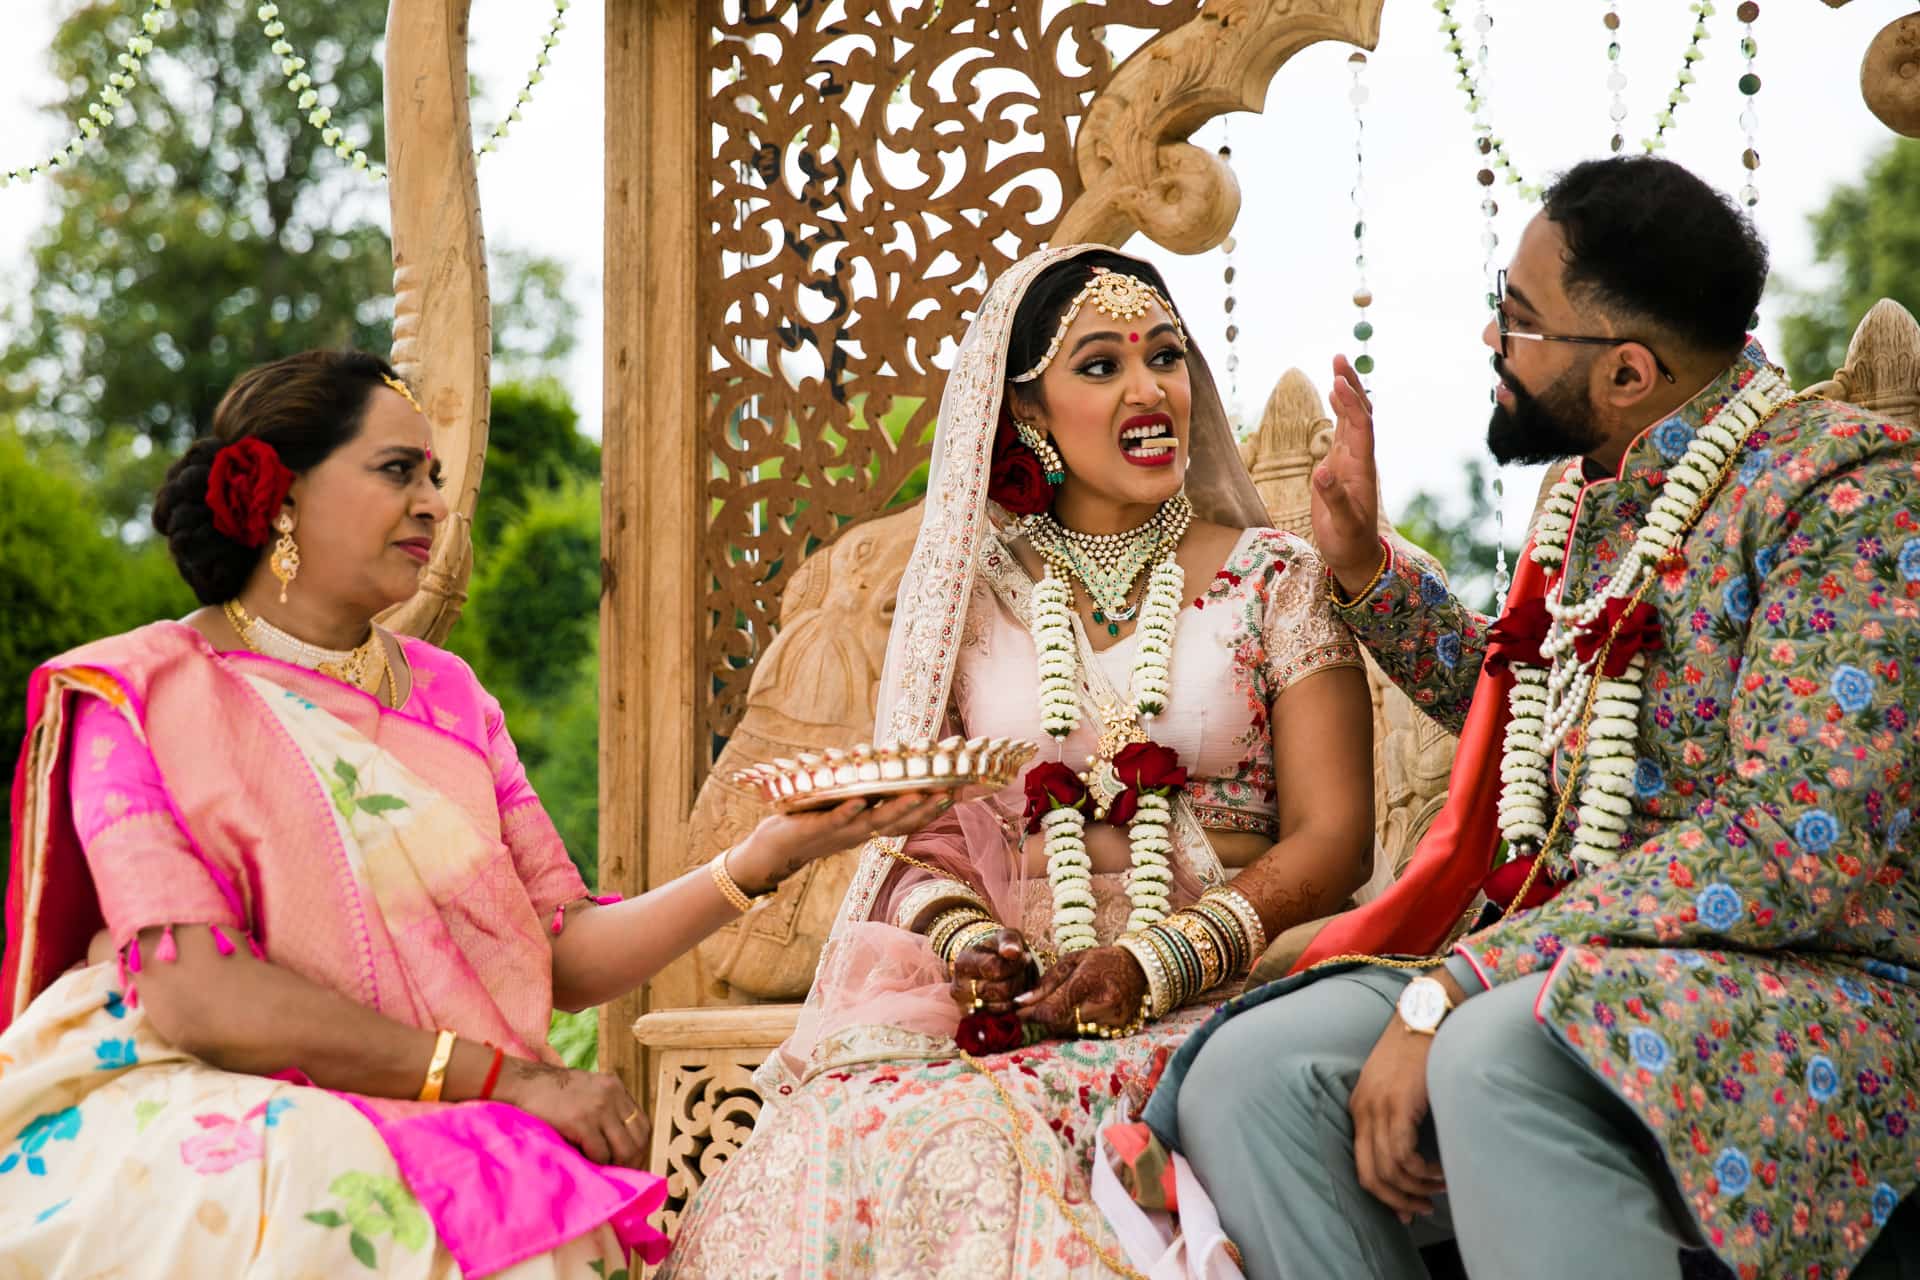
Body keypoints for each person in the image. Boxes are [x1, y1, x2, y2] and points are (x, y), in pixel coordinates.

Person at [0, 350, 954, 1277]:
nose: (432, 502)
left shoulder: (449, 698)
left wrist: (766, 857)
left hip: (440, 1096)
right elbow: (198, 997)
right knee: (323, 1186)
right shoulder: (141, 693)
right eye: (396, 470)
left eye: (436, 475)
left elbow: (564, 954)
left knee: (520, 1195)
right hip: (201, 1084)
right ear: (283, 497)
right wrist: (506, 1081)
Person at [1141, 156, 1920, 1279]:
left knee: (1493, 1050)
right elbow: (1530, 719)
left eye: (1519, 322)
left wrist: (1460, 980)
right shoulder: (1588, 501)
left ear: (1629, 370)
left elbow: (1798, 837)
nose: (1493, 346)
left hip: (1806, 976)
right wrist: (1363, 565)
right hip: (1567, 957)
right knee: (1249, 1073)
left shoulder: (1838, 496)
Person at [661, 245, 1377, 1277]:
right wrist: (969, 949)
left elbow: (1336, 839)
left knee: (1011, 1153)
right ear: (1029, 410)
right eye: (1100, 365)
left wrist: (1155, 959)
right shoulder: (969, 590)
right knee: (869, 1138)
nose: (1149, 390)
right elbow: (918, 839)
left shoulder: (1277, 576)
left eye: (1166, 357)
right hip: (1020, 1002)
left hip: (1230, 985)